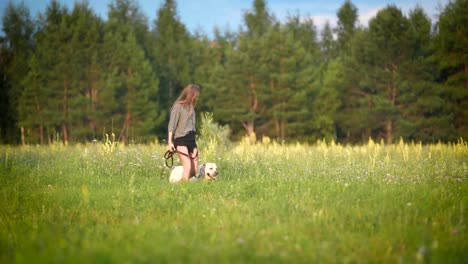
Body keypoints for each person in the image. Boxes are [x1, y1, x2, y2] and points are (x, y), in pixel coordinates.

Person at [167, 84, 200, 181]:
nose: (196, 97)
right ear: (190, 94)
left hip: (191, 139)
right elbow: (171, 125)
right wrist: (170, 142)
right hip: (181, 139)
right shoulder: (178, 107)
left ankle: (180, 183)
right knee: (188, 167)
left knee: (194, 170)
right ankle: (183, 190)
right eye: (195, 95)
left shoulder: (191, 107)